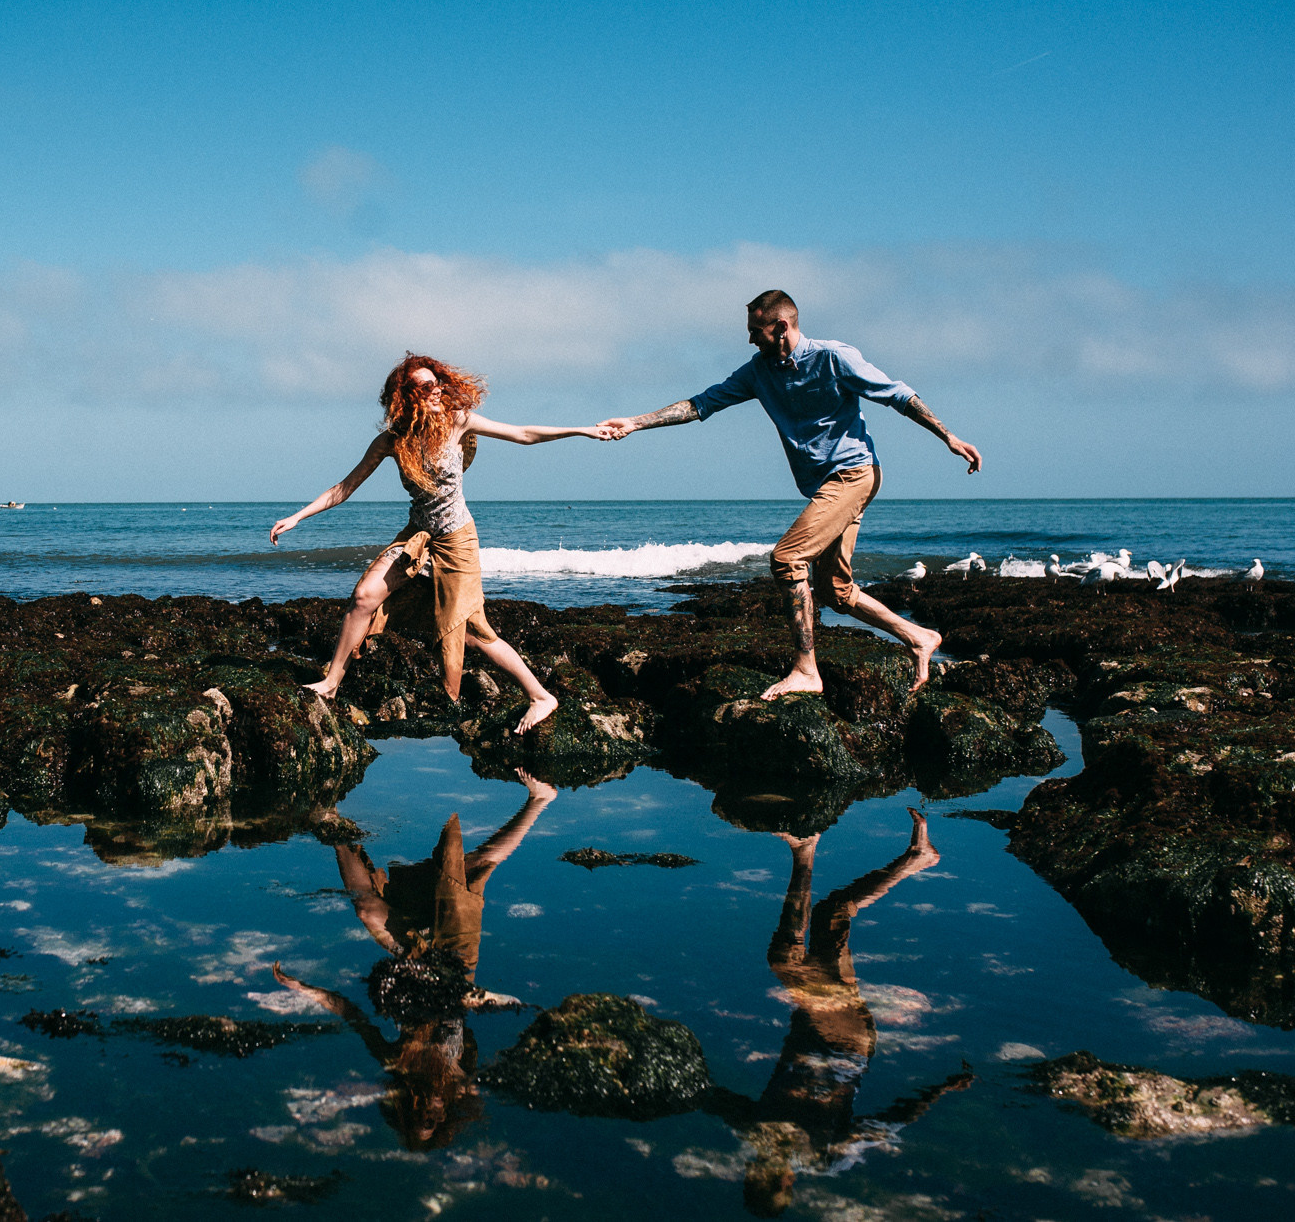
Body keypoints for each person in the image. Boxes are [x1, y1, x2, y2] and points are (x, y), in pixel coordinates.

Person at [603, 290, 981, 700]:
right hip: (825, 486)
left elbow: (897, 394)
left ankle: (806, 670)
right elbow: (701, 404)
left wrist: (948, 436)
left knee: (787, 558)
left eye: (755, 331)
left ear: (781, 326)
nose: (750, 340)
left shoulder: (833, 357)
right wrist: (636, 423)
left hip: (854, 473)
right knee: (836, 591)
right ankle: (919, 636)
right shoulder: (758, 372)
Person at [270, 353, 610, 734]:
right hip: (417, 537)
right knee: (365, 596)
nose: (437, 391)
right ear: (407, 396)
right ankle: (331, 684)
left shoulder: (457, 422)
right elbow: (345, 487)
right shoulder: (392, 441)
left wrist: (583, 429)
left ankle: (540, 696)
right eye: (426, 387)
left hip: (457, 541)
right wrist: (298, 516)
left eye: (438, 384)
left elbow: (523, 434)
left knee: (473, 633)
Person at [700, 811, 973, 1215]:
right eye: (770, 1179)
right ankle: (809, 849)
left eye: (753, 1175)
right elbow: (889, 1124)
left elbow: (705, 1094)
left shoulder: (754, 1131)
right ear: (787, 1182)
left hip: (810, 1025)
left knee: (831, 915)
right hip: (846, 1042)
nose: (760, 1169)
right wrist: (941, 1090)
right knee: (788, 958)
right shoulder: (826, 1154)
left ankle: (909, 857)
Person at [270, 769, 557, 1150]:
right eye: (434, 1121)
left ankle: (332, 822)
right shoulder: (460, 1079)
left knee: (367, 910)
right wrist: (516, 1006)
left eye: (421, 1118)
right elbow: (471, 1007)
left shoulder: (397, 1064)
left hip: (415, 965)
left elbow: (352, 1015)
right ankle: (540, 799)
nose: (430, 1114)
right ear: (445, 1116)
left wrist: (303, 988)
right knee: (473, 869)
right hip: (456, 964)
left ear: (407, 1108)